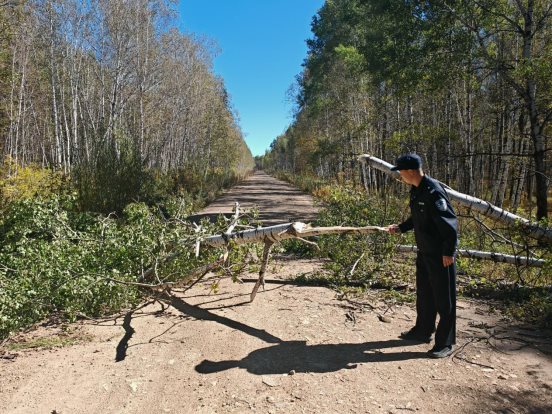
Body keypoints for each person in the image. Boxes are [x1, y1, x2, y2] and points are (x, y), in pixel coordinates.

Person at [386, 153, 458, 358]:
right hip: (424, 252)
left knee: (444, 300)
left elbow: (450, 225)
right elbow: (417, 218)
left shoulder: (433, 191)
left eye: (400, 171)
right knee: (425, 295)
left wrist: (448, 252)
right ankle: (423, 331)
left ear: (410, 171)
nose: (400, 175)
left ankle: (445, 343)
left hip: (440, 255)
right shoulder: (417, 190)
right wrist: (401, 227)